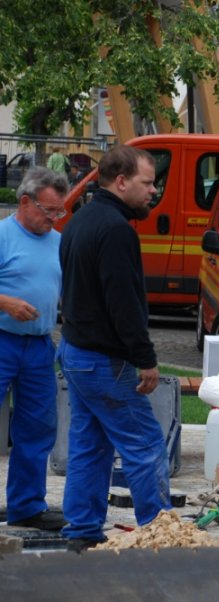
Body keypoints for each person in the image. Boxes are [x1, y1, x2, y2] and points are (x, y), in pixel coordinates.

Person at [57, 145, 171, 552]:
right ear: (121, 182)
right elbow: (123, 304)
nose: (153, 191)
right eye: (147, 183)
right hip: (105, 361)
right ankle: (161, 534)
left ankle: (82, 531)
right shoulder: (117, 230)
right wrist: (145, 359)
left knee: (89, 446)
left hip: (75, 353)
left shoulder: (79, 220)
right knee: (145, 446)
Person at [0, 167, 69, 531]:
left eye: (60, 211)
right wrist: (6, 303)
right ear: (25, 201)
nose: (54, 218)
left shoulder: (59, 242)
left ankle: (26, 506)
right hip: (2, 339)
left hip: (40, 346)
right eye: (48, 210)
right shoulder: (2, 235)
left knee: (38, 427)